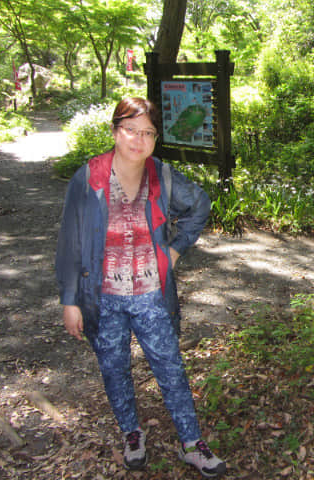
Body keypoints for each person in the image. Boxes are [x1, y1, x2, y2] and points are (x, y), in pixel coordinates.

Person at [55, 97, 226, 478]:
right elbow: (70, 242)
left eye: (147, 132)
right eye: (131, 130)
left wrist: (176, 250)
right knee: (114, 369)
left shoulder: (161, 176)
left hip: (151, 293)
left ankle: (191, 442)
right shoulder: (89, 178)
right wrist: (70, 301)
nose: (139, 139)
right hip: (103, 297)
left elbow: (200, 205)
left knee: (171, 367)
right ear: (116, 131)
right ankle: (132, 434)